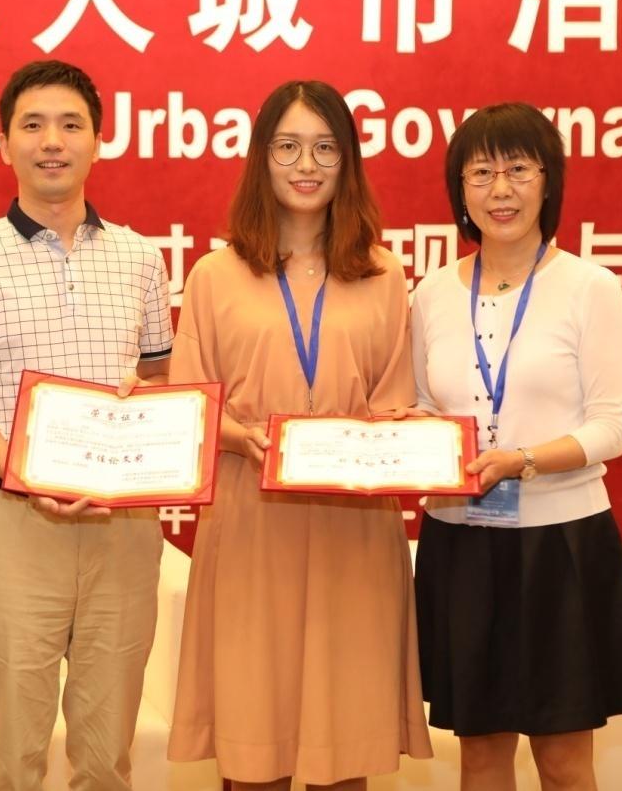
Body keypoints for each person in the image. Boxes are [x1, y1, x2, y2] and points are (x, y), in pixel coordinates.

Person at [166, 81, 432, 790]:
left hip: (354, 529)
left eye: (324, 148)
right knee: (253, 751)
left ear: (348, 163)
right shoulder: (213, 274)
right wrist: (239, 436)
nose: (305, 164)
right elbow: (191, 404)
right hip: (251, 521)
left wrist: (404, 438)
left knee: (344, 752)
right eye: (286, 147)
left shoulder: (382, 273)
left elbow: (394, 402)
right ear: (261, 158)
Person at [0, 59, 173, 791]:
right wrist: (29, 477)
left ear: (99, 139)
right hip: (15, 520)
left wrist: (149, 401)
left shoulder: (139, 257)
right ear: (4, 142)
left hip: (123, 526)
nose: (52, 142)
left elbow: (161, 381)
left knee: (107, 755)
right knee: (13, 755)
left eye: (71, 125)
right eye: (32, 125)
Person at [410, 102, 622, 791]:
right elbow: (425, 406)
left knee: (564, 761)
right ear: (459, 189)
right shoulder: (430, 293)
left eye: (518, 169)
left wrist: (523, 461)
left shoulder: (589, 288)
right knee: (480, 756)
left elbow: (612, 427)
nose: (501, 190)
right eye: (481, 173)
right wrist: (404, 439)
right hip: (459, 541)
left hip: (561, 545)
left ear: (549, 182)